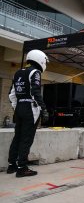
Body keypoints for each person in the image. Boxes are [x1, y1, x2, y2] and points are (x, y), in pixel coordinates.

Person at [7, 49, 49, 178]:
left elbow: (12, 94)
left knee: (17, 137)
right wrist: (44, 110)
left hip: (19, 107)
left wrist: (17, 107)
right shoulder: (35, 72)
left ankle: (12, 165)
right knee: (26, 139)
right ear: (40, 60)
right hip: (30, 109)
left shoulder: (18, 72)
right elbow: (36, 92)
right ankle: (22, 168)